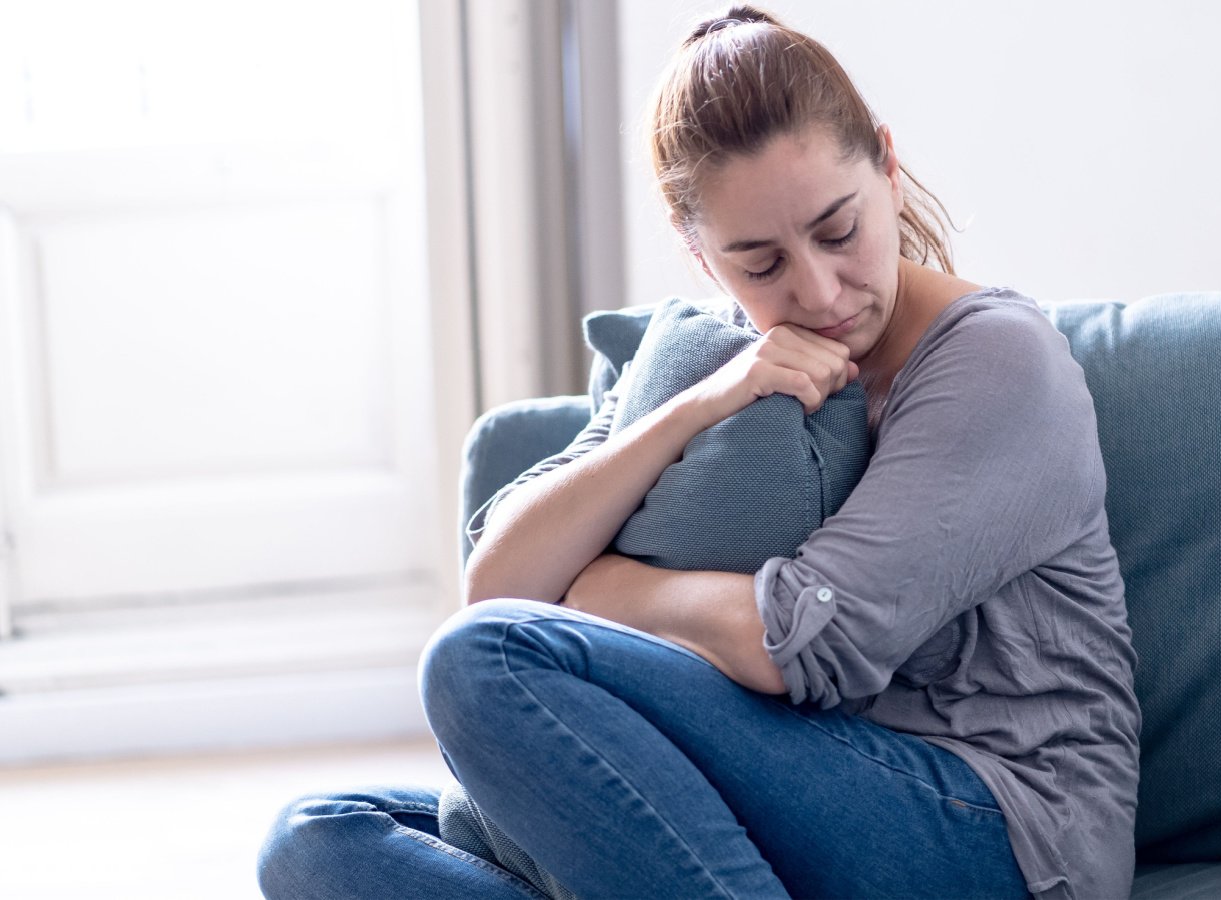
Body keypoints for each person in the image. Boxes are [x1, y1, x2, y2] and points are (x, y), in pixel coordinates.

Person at [258, 6, 1139, 899]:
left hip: (1001, 826)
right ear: (699, 254)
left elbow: (803, 641)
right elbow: (497, 583)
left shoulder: (998, 361)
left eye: (839, 231)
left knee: (480, 662)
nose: (818, 289)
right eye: (759, 265)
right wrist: (697, 408)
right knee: (315, 843)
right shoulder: (713, 354)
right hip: (781, 787)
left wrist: (597, 589)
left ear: (889, 164)